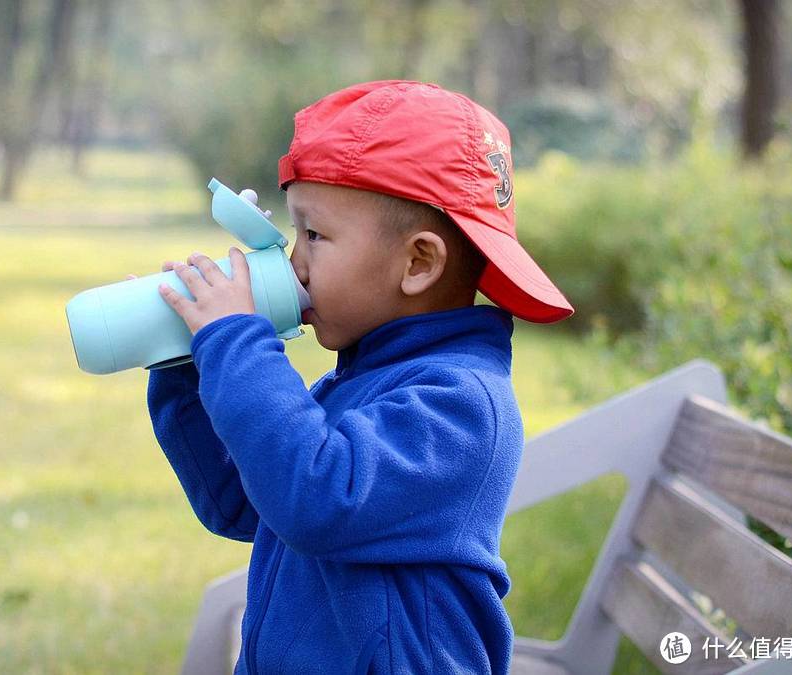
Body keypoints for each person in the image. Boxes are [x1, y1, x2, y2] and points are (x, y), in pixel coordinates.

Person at [146, 80, 574, 673]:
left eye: (314, 235)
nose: (294, 261)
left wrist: (237, 345)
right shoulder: (362, 384)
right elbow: (243, 504)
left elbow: (315, 498)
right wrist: (188, 374)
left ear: (419, 263)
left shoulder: (461, 407)